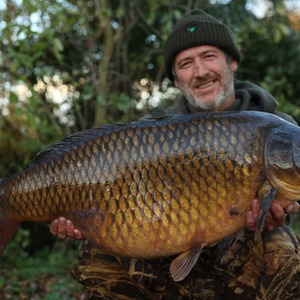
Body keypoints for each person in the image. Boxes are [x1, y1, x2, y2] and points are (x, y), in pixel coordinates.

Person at [50, 9, 300, 299]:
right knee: (96, 251)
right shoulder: (149, 133)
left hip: (237, 258)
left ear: (231, 62)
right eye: (186, 63)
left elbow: (286, 202)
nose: (201, 71)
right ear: (176, 80)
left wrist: (275, 215)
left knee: (279, 245)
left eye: (209, 56)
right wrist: (78, 219)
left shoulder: (278, 128)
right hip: (161, 253)